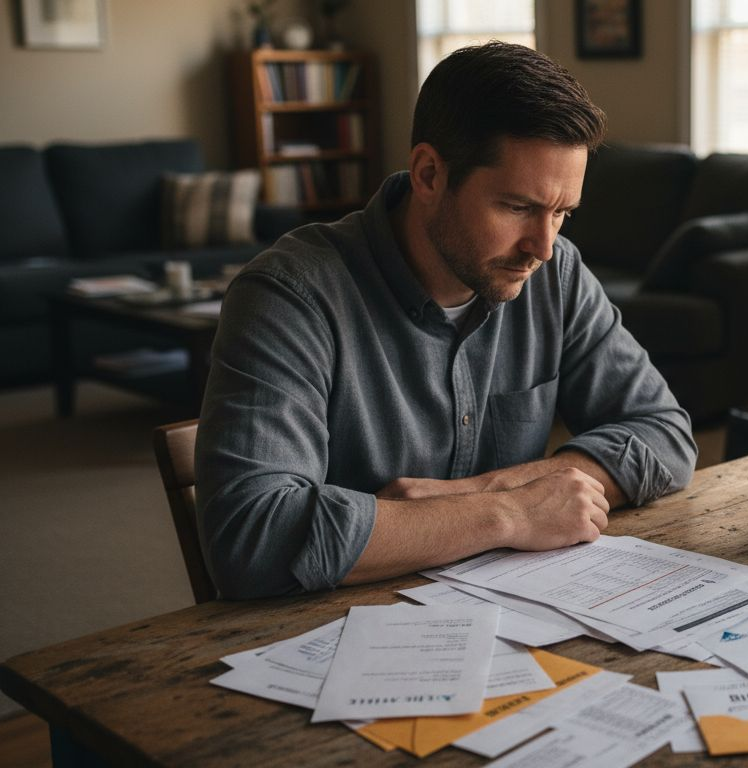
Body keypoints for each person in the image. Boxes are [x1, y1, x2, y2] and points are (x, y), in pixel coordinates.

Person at [195, 42, 697, 600]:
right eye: (517, 207)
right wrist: (507, 514)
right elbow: (252, 538)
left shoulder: (556, 277)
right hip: (328, 635)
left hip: (518, 617)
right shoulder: (290, 296)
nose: (543, 246)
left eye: (562, 213)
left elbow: (665, 433)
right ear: (429, 174)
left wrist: (488, 490)